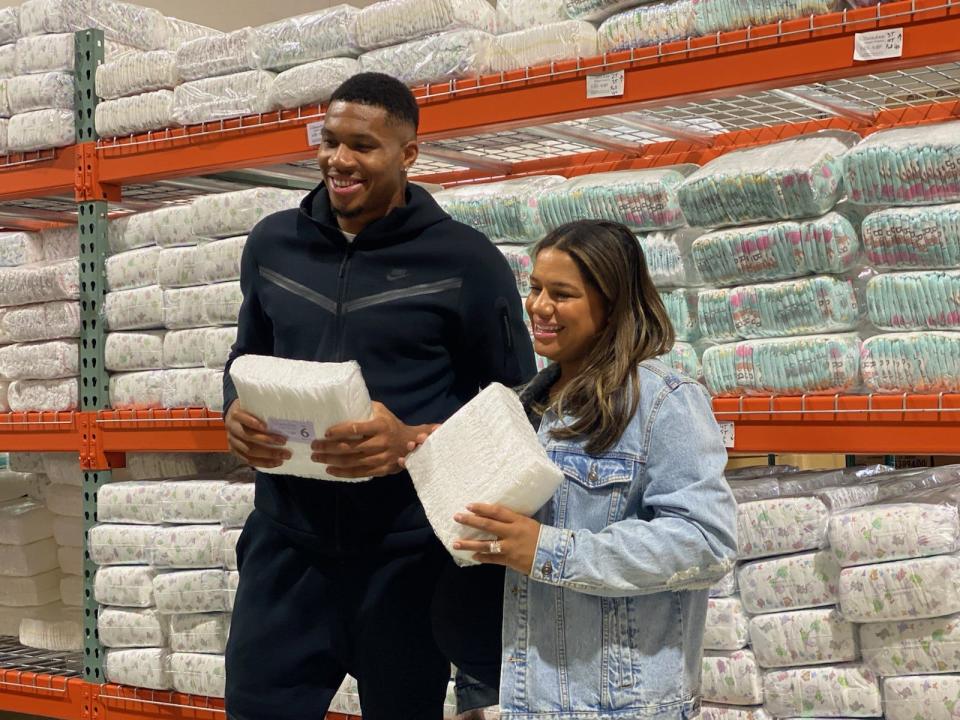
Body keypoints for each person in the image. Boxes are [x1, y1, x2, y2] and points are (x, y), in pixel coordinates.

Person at [221, 72, 535, 720]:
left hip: (406, 561)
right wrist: (234, 410)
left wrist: (411, 439)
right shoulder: (273, 246)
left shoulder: (466, 263)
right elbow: (243, 355)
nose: (339, 160)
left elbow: (515, 407)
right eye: (330, 141)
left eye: (362, 146)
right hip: (285, 549)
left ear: (408, 154)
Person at [451, 220, 739, 718]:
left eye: (561, 294)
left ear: (611, 305)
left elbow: (706, 541)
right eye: (535, 288)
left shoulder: (664, 402)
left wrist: (549, 550)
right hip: (525, 698)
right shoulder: (523, 405)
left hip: (617, 705)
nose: (539, 307)